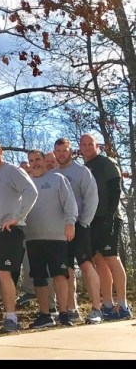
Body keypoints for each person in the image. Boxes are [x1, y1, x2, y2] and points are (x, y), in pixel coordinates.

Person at [0, 139, 38, 334]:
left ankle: (12, 319)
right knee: (2, 275)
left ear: (1, 151)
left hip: (10, 230)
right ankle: (9, 317)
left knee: (4, 273)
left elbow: (31, 191)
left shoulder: (13, 170)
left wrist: (17, 217)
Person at [79, 133, 131, 320]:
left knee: (111, 258)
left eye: (90, 144)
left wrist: (109, 214)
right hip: (91, 220)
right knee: (99, 260)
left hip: (109, 218)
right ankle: (108, 304)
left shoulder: (106, 162)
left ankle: (123, 304)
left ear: (97, 146)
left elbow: (115, 188)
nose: (87, 147)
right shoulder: (84, 168)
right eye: (83, 144)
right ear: (80, 148)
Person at [24, 149, 78, 328]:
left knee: (60, 275)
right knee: (38, 278)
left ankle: (64, 314)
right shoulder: (26, 183)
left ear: (44, 160)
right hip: (33, 238)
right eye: (31, 160)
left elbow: (70, 203)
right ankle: (45, 315)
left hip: (57, 237)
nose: (35, 163)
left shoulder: (57, 179)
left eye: (37, 159)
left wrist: (70, 223)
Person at [53, 137, 103, 324]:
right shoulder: (53, 174)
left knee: (86, 265)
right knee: (66, 270)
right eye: (58, 151)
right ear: (55, 153)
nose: (61, 154)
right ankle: (71, 310)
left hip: (80, 227)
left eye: (64, 150)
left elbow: (92, 198)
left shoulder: (82, 171)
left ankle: (97, 309)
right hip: (60, 230)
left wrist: (83, 223)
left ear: (71, 151)